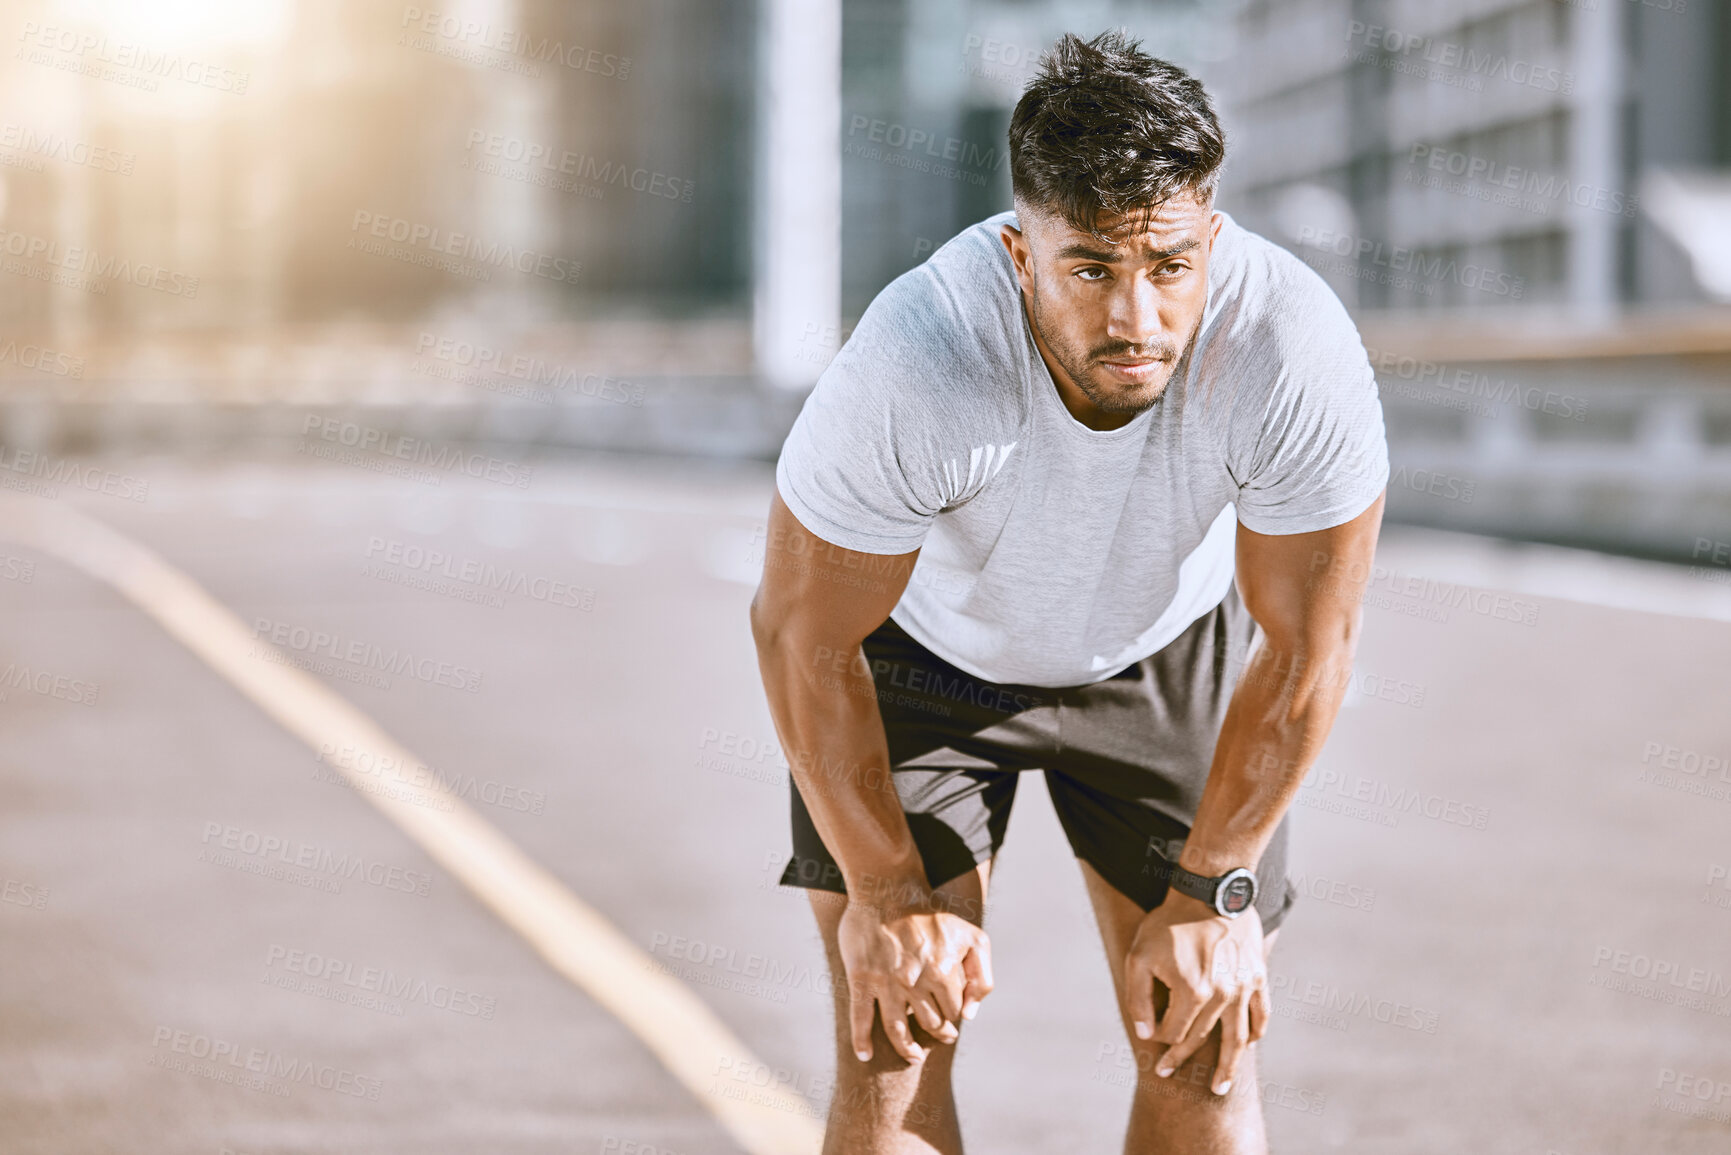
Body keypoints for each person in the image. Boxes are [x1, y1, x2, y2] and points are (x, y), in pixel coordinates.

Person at [750, 29, 1388, 1155]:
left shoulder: (1290, 349)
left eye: (1171, 266)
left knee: (1205, 1055)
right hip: (921, 664)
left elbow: (1307, 650)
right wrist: (888, 897)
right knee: (894, 1050)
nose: (1137, 320)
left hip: (1162, 653)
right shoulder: (921, 363)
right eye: (1092, 268)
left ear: (1213, 238)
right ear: (1019, 255)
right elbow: (801, 635)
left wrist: (1216, 893)